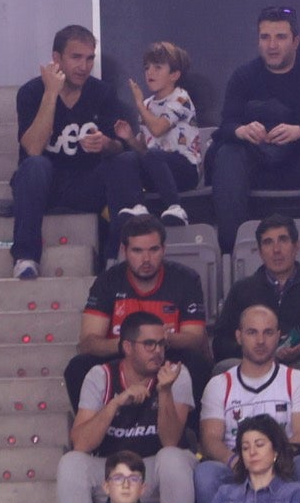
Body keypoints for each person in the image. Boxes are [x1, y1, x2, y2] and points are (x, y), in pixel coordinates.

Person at [11, 25, 144, 280]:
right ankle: (25, 258)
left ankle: (114, 259)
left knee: (125, 160)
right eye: (76, 57)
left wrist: (105, 143)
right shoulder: (31, 93)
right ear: (57, 58)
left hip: (86, 183)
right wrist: (51, 93)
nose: (84, 66)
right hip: (45, 186)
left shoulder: (102, 92)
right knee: (34, 166)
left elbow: (118, 146)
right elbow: (33, 148)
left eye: (89, 58)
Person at [209, 6, 300, 253]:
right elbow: (226, 124)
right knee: (227, 153)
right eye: (265, 37)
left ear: (296, 41)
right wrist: (242, 131)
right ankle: (232, 251)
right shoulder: (243, 76)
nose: (272, 45)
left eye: (280, 37)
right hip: (256, 161)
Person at [59, 309, 196, 503]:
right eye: (149, 344)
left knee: (173, 457)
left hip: (156, 471)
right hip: (113, 472)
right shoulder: (100, 376)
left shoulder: (176, 375)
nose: (158, 352)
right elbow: (80, 443)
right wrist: (115, 403)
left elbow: (171, 440)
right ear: (128, 347)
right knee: (70, 463)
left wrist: (164, 391)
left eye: (162, 345)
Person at [65, 214, 208, 418]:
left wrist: (159, 342)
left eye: (153, 250)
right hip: (121, 355)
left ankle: (189, 436)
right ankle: (97, 433)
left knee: (197, 364)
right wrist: (135, 345)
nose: (146, 259)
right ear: (124, 251)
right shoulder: (108, 281)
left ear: (164, 249)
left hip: (166, 354)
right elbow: (88, 342)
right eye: (137, 251)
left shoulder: (186, 279)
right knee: (77, 367)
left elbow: (194, 339)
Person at [195, 305, 300, 503]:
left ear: (279, 336)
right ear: (239, 336)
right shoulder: (219, 384)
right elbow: (210, 441)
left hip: (282, 461)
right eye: (252, 332)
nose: (260, 341)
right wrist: (238, 462)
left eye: (268, 332)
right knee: (206, 473)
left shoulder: (296, 380)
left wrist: (269, 462)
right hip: (235, 462)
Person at [210, 213, 300, 393]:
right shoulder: (241, 290)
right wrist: (255, 350)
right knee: (224, 368)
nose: (276, 249)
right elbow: (220, 343)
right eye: (268, 242)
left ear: (296, 246)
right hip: (252, 365)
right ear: (259, 251)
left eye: (283, 240)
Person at [114, 40, 202, 226]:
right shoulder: (147, 105)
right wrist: (129, 138)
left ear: (174, 75)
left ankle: (175, 208)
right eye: (147, 68)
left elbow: (158, 128)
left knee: (154, 156)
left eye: (158, 67)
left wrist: (138, 104)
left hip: (184, 169)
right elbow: (143, 149)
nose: (150, 73)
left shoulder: (180, 98)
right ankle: (138, 206)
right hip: (156, 168)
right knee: (126, 158)